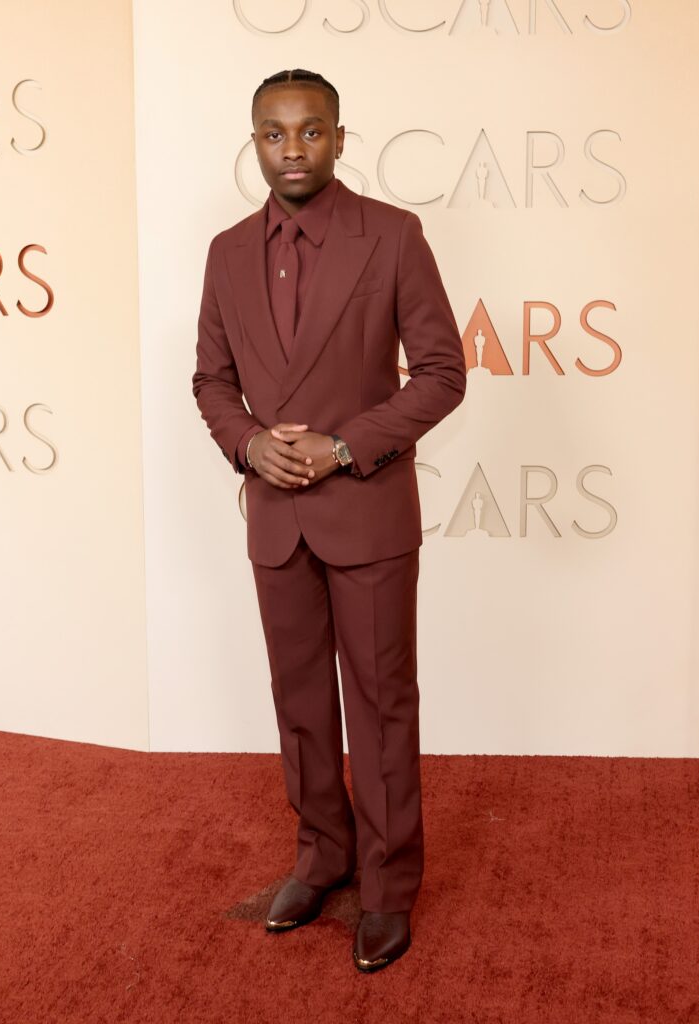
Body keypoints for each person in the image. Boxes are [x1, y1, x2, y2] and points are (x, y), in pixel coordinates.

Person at [192, 68, 467, 973]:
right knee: (301, 704)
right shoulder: (227, 251)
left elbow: (439, 373)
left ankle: (388, 888)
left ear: (341, 139)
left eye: (311, 132)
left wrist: (345, 448)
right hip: (274, 516)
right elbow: (211, 382)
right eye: (273, 134)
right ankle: (322, 856)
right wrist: (247, 446)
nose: (292, 149)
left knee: (381, 706)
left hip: (368, 512)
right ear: (254, 143)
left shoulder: (391, 236)